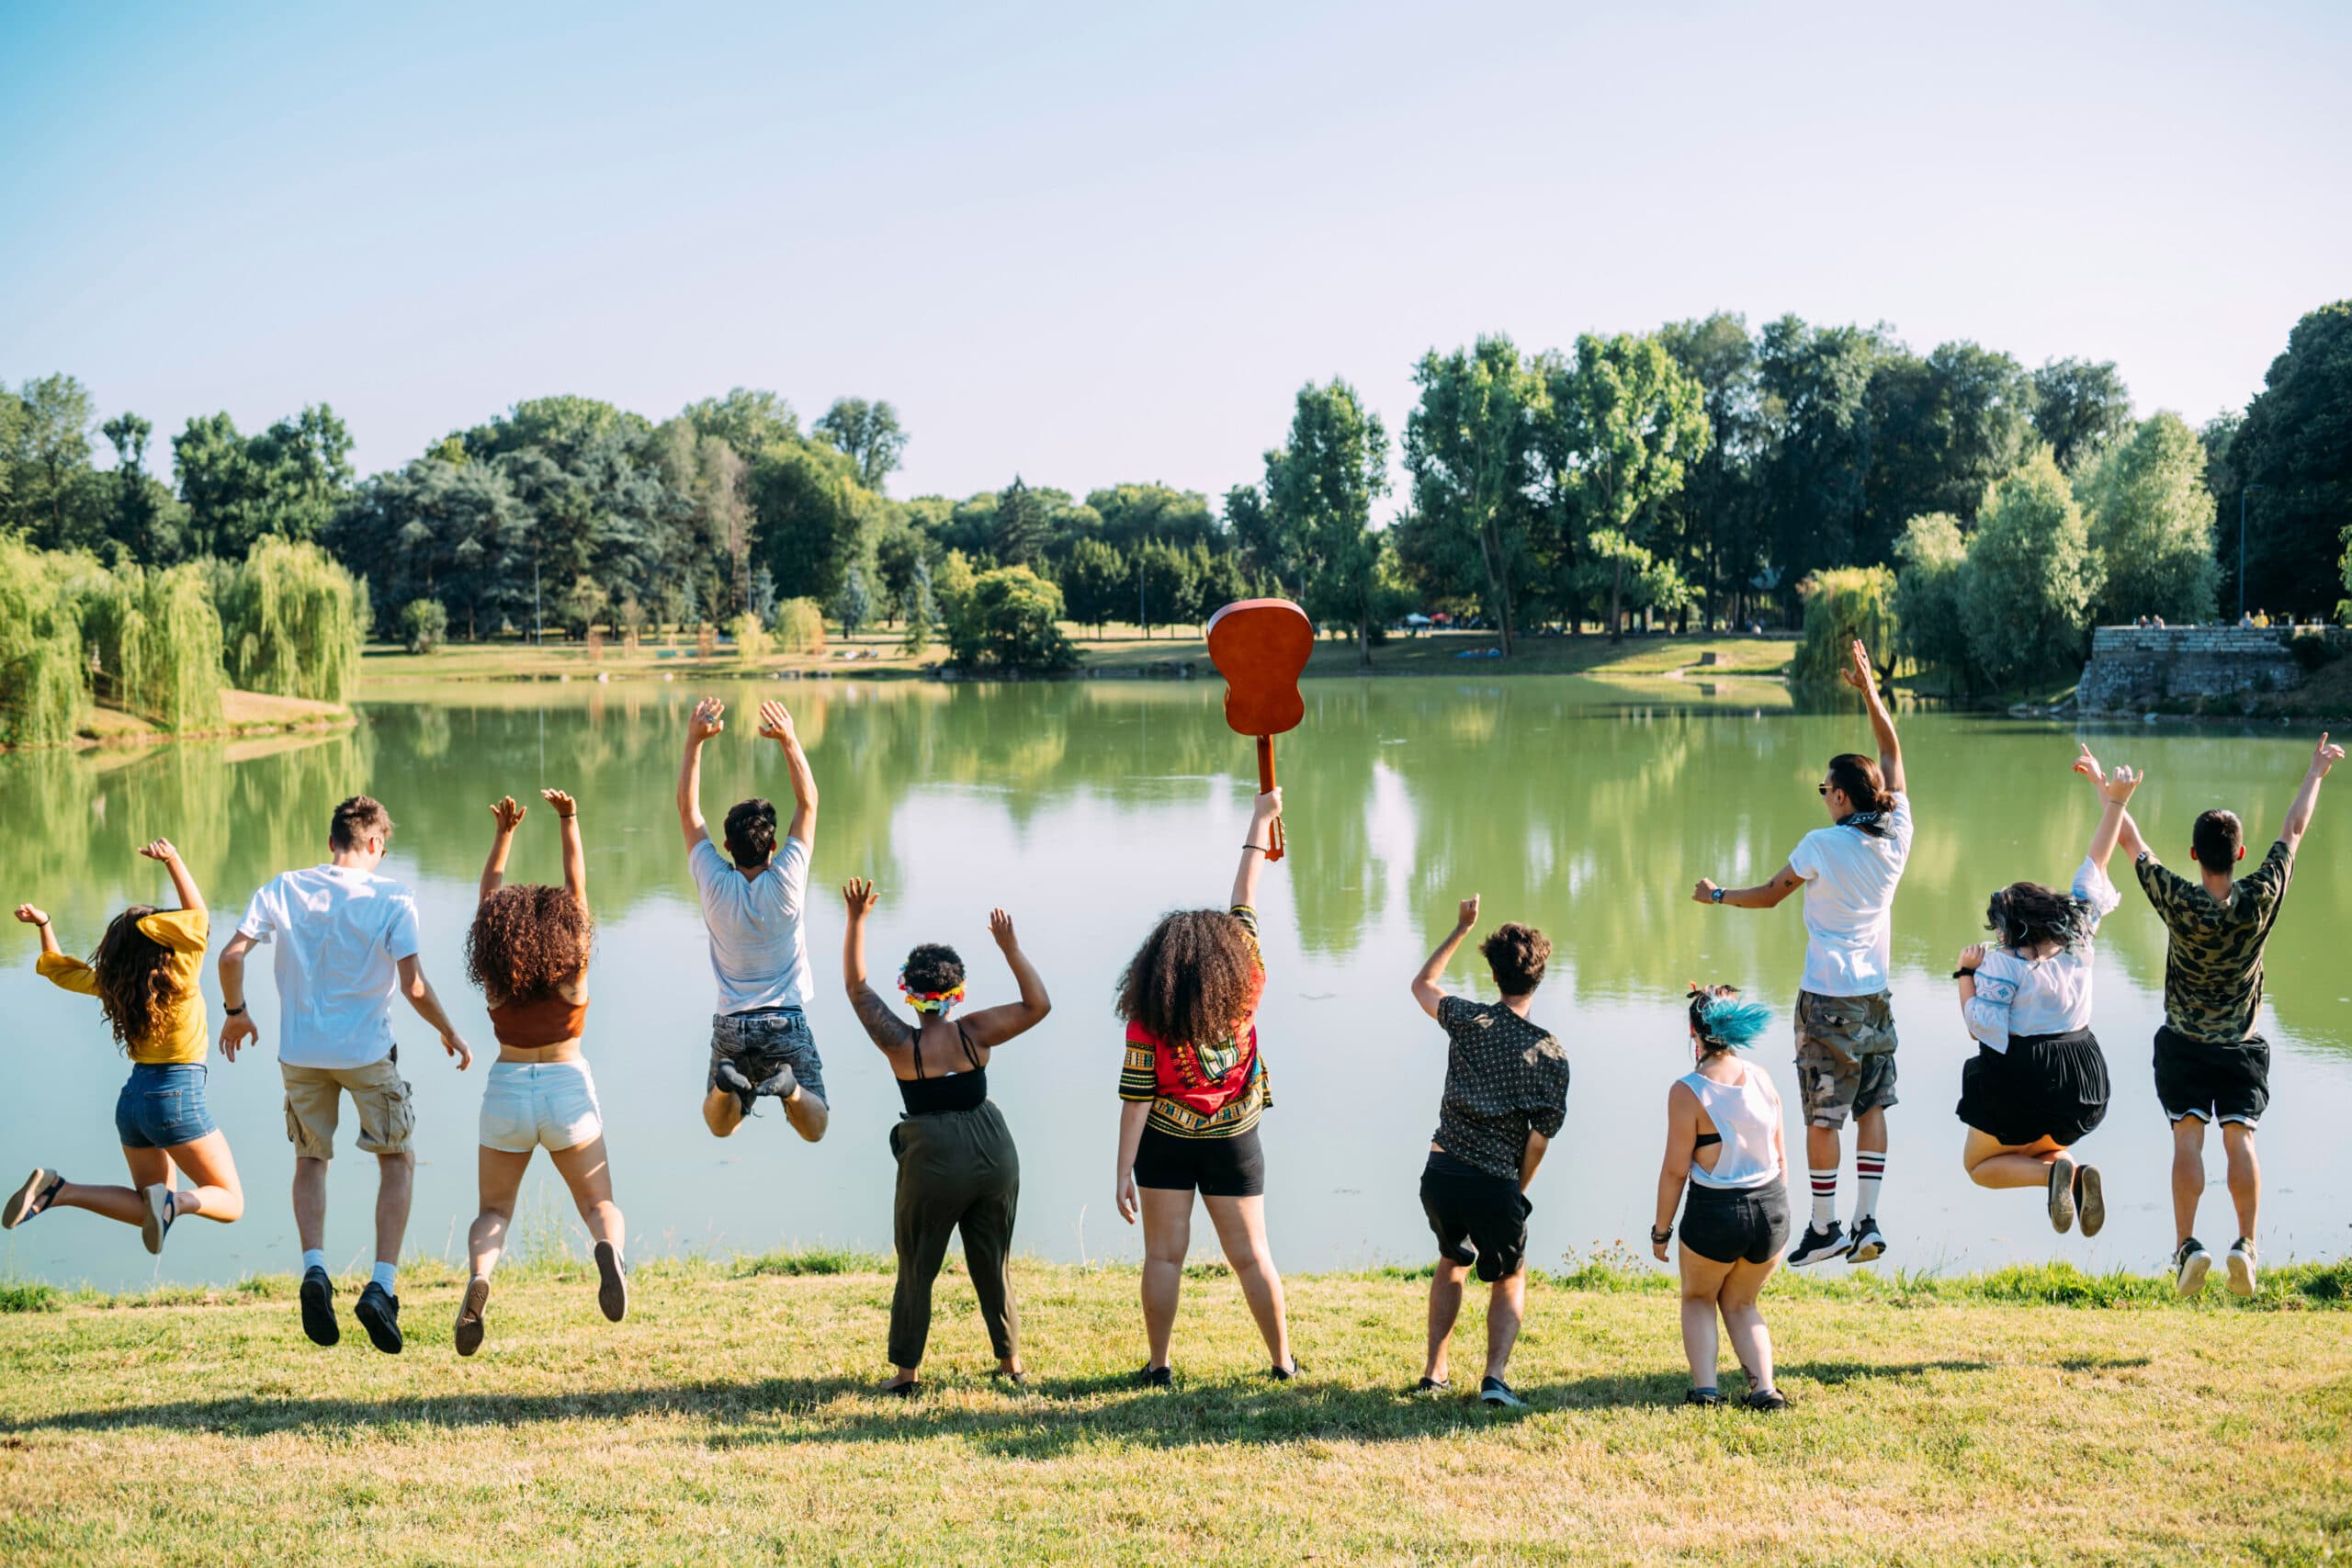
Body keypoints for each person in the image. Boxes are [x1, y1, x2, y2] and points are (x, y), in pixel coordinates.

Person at [217, 795, 472, 1354]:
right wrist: (449, 1031)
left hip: (300, 1053)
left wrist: (236, 1014)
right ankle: (381, 1287)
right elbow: (414, 986)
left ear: (332, 840)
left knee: (310, 1158)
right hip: (366, 1053)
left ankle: (314, 1270)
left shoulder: (283, 887)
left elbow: (231, 957)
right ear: (376, 844)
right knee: (397, 1160)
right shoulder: (394, 896)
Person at [1693, 637, 1913, 1269]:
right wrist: (1872, 694)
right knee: (1873, 1103)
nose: (1822, 794)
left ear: (1842, 796)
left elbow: (1768, 896)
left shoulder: (1821, 844)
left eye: (1825, 787)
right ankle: (1869, 1220)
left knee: (1825, 1113)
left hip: (1827, 998)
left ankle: (1826, 1227)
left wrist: (1716, 895)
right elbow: (1892, 750)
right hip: (1875, 996)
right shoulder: (1897, 833)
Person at [2129, 731, 2344, 1297]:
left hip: (2183, 1045)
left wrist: (2114, 797)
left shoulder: (2178, 898)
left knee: (2187, 1139)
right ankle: (2246, 1246)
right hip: (2241, 1046)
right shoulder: (2260, 896)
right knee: (2240, 1137)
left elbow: (2133, 846)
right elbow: (2293, 831)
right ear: (2240, 854)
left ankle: (2186, 1247)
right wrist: (2315, 772)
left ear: (2196, 854)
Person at [1114, 787, 1297, 1385]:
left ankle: (1159, 1365)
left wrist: (1122, 1171)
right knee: (1252, 1257)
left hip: (1165, 1141)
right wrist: (1259, 820)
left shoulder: (1149, 1017)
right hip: (1236, 1138)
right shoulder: (1248, 983)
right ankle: (1282, 1361)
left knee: (1164, 1255)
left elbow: (1137, 1095)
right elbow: (1244, 897)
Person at [841, 878, 1051, 1394]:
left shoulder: (899, 1043)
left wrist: (856, 920)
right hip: (992, 1148)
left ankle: (907, 1375)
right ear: (956, 995)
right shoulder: (974, 1032)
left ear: (910, 994)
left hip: (933, 1156)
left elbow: (856, 989)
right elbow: (1037, 1004)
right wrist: (1010, 948)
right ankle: (1011, 1366)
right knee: (993, 1260)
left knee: (917, 1263)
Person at [452, 790, 628, 1357]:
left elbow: (488, 900)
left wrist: (503, 833)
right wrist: (569, 819)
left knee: (494, 1211)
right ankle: (607, 1250)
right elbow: (577, 889)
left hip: (506, 1089)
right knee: (599, 1205)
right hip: (566, 1085)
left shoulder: (498, 975)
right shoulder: (573, 962)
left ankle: (481, 1278)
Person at [6, 840, 244, 1252]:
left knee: (145, 1208)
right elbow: (199, 920)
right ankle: (177, 1203)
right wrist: (173, 860)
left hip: (133, 1102)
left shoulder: (112, 984)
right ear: (164, 947)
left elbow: (59, 972)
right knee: (230, 1201)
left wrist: (45, 925)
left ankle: (59, 1191)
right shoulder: (182, 976)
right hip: (176, 1095)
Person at [1951, 747, 2135, 1234]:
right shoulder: (2080, 937)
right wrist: (2113, 801)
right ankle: (2067, 1172)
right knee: (2049, 1142)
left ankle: (2056, 1174)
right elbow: (2096, 861)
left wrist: (1965, 975)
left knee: (1978, 1168)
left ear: (2008, 930)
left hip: (2028, 1081)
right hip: (2085, 1083)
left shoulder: (2003, 966)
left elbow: (1980, 1031)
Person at [1407, 894, 1569, 1409]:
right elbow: (1538, 1141)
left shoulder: (1467, 1019)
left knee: (1452, 1257)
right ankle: (1495, 1380)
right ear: (1538, 978)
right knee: (1510, 1274)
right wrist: (1513, 1190)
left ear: (1494, 976)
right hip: (1495, 1179)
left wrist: (1459, 929)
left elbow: (1422, 986)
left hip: (1441, 1172)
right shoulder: (1549, 1053)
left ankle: (1435, 1372)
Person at [678, 696, 828, 1144]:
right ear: (774, 847)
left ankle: (729, 1082)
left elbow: (688, 811)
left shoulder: (713, 881)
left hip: (732, 1022)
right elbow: (809, 801)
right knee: (815, 1126)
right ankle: (791, 1089)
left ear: (725, 845)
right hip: (786, 1020)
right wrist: (789, 739)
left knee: (721, 1125)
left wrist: (694, 742)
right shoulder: (788, 880)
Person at [1650, 986, 1790, 1411]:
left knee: (1698, 1298)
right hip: (1772, 1209)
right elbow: (1782, 1157)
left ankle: (1706, 1391)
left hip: (1717, 1213)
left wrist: (1661, 1232)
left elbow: (1676, 1170)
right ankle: (1765, 1390)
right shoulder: (1763, 1078)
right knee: (1742, 1301)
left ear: (1695, 1031)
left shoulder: (1689, 1090)